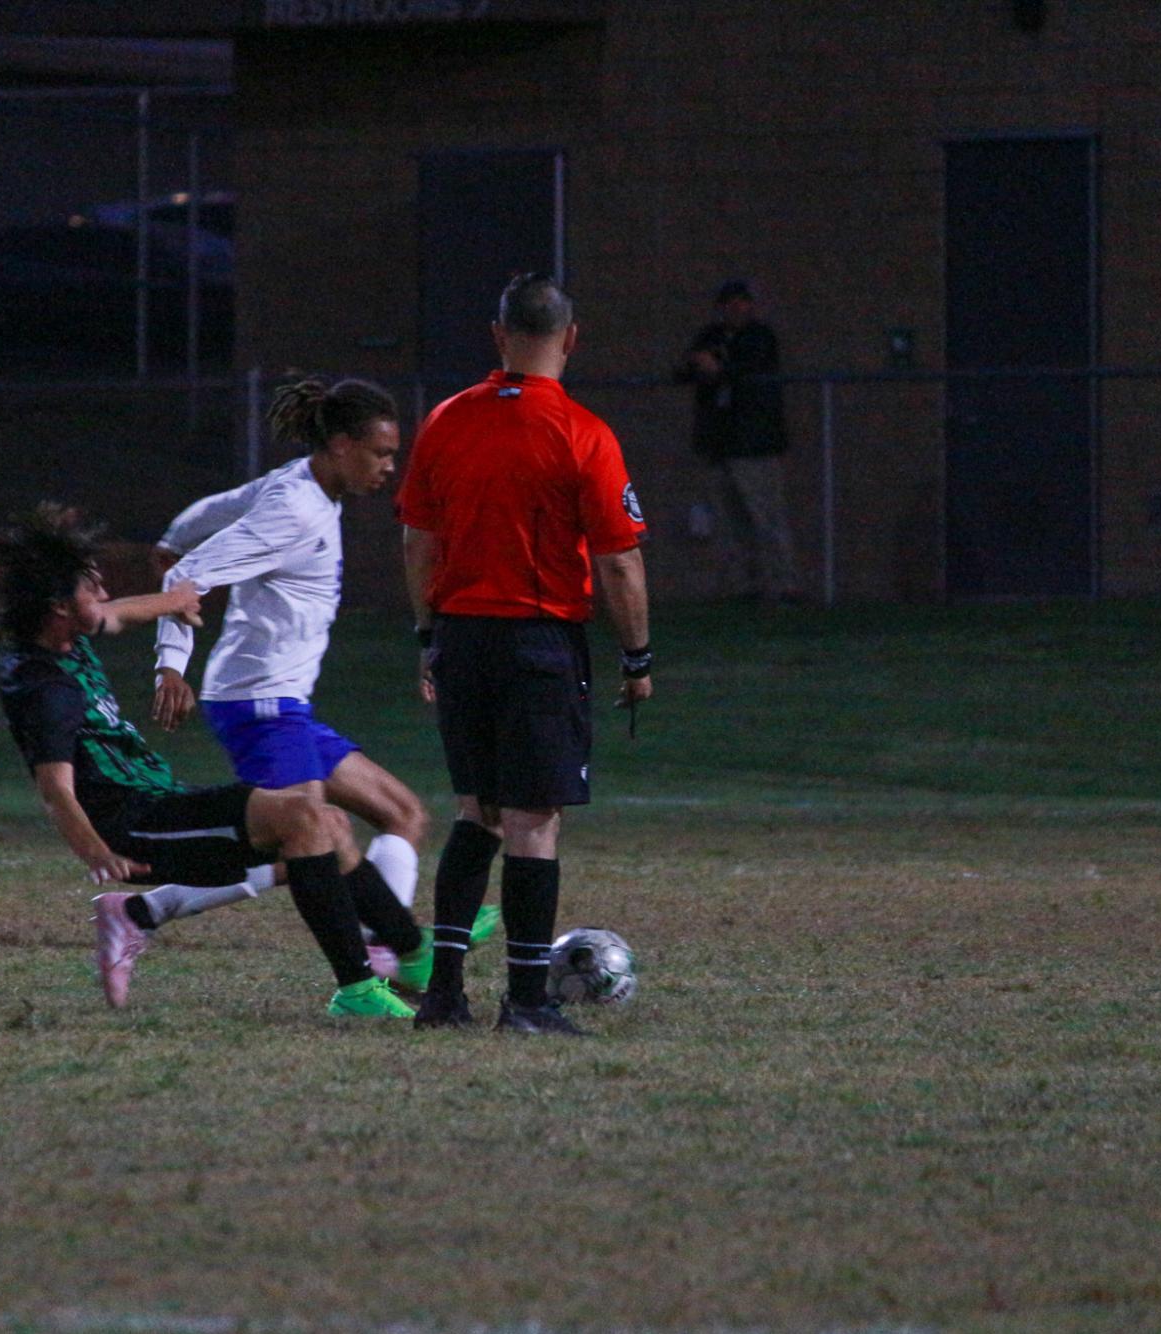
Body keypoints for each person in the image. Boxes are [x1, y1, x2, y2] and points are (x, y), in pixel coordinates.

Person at [0, 504, 422, 1018]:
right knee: (305, 818)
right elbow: (55, 787)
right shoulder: (45, 687)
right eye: (90, 587)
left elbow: (119, 612)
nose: (102, 594)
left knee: (326, 822)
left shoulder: (63, 637)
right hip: (134, 826)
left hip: (160, 802)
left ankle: (411, 952)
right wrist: (96, 852)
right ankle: (363, 986)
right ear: (58, 607)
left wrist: (175, 599)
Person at [146, 378, 494, 984]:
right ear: (339, 444)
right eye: (381, 454)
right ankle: (150, 907)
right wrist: (170, 664)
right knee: (311, 840)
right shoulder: (293, 508)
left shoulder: (300, 485)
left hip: (285, 703)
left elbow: (217, 511)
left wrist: (173, 535)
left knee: (402, 814)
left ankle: (386, 939)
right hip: (256, 702)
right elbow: (190, 573)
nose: (390, 467)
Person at [397, 272, 653, 1036]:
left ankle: (443, 996)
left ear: (496, 334)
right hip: (537, 640)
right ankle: (529, 1002)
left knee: (476, 811)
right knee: (532, 821)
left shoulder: (444, 421)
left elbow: (417, 540)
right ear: (570, 339)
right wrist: (636, 656)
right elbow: (617, 562)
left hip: (460, 634)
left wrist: (427, 636)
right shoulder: (583, 433)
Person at [673, 278, 797, 604]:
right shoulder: (711, 336)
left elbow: (744, 370)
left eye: (742, 302)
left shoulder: (760, 337)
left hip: (753, 443)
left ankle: (783, 585)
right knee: (728, 520)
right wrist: (698, 364)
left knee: (766, 516)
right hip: (718, 443)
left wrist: (718, 367)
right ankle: (744, 587)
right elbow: (685, 368)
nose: (736, 308)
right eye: (730, 302)